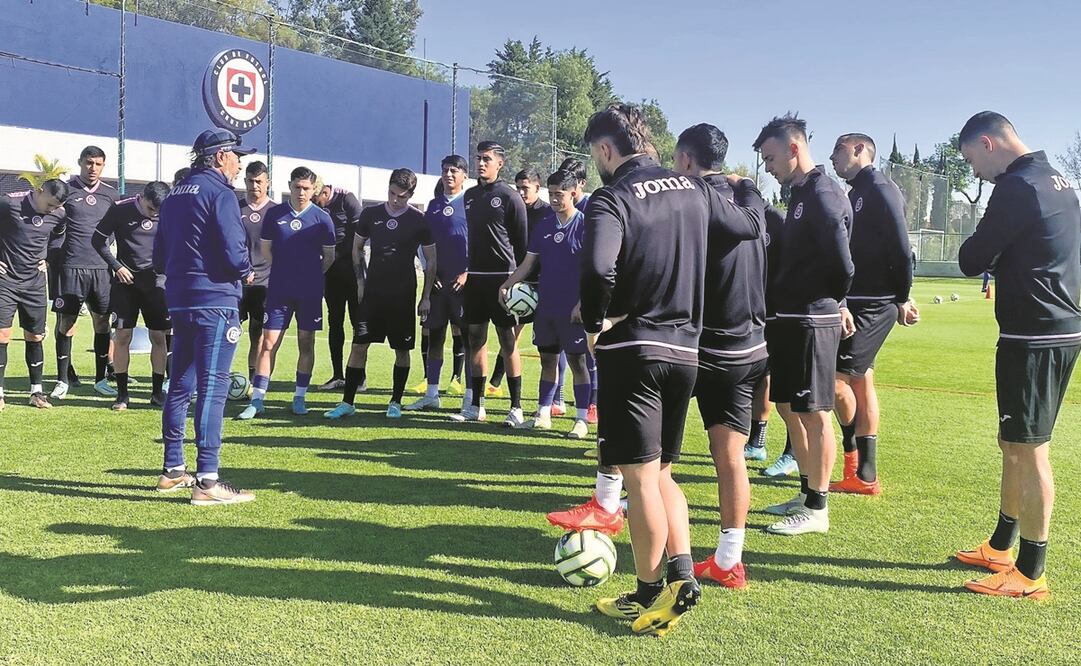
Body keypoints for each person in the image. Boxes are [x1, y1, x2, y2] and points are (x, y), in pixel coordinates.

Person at [581, 104, 763, 637]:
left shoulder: (611, 197)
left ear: (607, 151)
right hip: (688, 353)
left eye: (596, 155)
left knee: (639, 480)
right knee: (661, 475)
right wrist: (746, 187)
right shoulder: (698, 189)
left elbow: (597, 267)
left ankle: (645, 596)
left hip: (633, 351)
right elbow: (749, 226)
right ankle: (683, 574)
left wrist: (595, 321)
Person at [955, 111, 1081, 599]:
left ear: (988, 144)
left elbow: (971, 258)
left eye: (971, 160)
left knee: (1030, 450)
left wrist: (994, 251)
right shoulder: (1061, 179)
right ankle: (1001, 545)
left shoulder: (1017, 186)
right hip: (1055, 328)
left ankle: (1030, 573)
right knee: (1014, 442)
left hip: (1034, 333)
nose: (974, 173)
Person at [670, 124, 768, 589]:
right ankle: (729, 559)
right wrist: (744, 184)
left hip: (707, 347)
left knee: (654, 458)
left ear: (686, 161)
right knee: (730, 455)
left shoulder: (692, 202)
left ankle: (655, 550)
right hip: (751, 345)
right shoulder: (747, 200)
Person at [754, 114, 853, 536]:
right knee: (789, 406)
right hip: (791, 318)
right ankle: (805, 491)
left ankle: (818, 507)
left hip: (813, 320)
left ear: (794, 149)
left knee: (815, 413)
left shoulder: (823, 194)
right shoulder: (799, 194)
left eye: (771, 157)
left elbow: (842, 264)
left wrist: (829, 302)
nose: (768, 167)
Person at [154, 128, 257, 505]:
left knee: (180, 383)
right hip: (215, 300)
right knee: (212, 389)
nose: (239, 163)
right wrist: (245, 269)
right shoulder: (221, 193)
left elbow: (158, 255)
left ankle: (173, 470)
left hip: (180, 298)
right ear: (219, 157)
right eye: (235, 156)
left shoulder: (173, 196)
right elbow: (234, 253)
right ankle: (207, 481)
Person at [828, 133, 919, 495]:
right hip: (861, 299)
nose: (833, 158)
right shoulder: (857, 191)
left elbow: (901, 246)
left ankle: (852, 457)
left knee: (834, 381)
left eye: (838, 150)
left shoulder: (880, 187)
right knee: (861, 381)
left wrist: (902, 297)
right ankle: (864, 474)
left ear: (859, 150)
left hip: (874, 303)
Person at [325, 168, 435, 420]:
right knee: (359, 345)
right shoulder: (370, 214)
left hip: (403, 295)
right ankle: (348, 402)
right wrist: (360, 282)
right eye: (392, 193)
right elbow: (357, 248)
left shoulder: (419, 220)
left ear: (411, 195)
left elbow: (431, 259)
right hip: (372, 294)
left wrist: (426, 296)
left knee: (401, 350)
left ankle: (395, 401)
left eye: (402, 196)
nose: (396, 200)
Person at [237, 166, 336, 419]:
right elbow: (267, 250)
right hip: (279, 290)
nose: (301, 193)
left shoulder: (322, 218)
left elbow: (329, 257)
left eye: (306, 188)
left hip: (310, 292)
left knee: (306, 342)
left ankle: (299, 396)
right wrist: (284, 271)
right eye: (297, 187)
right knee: (268, 344)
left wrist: (309, 274)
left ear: (313, 189)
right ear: (289, 186)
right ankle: (257, 400)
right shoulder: (275, 215)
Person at [500, 169, 590, 438]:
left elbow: (594, 270)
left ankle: (582, 419)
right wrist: (506, 284)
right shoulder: (545, 226)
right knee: (547, 360)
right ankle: (542, 414)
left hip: (573, 309)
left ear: (573, 193)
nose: (553, 199)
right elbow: (528, 264)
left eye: (559, 194)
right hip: (546, 306)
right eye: (550, 194)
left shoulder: (587, 225)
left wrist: (583, 303)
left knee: (577, 363)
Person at [453, 141, 529, 425]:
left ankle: (516, 408)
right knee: (475, 340)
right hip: (476, 279)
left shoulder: (510, 196)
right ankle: (476, 405)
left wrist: (518, 281)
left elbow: (522, 246)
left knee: (508, 341)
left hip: (503, 280)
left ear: (500, 164)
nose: (481, 163)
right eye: (478, 158)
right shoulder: (469, 196)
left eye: (486, 159)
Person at [91, 181, 172, 409]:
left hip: (156, 284)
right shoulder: (120, 208)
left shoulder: (168, 214)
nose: (153, 214)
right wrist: (117, 266)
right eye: (150, 209)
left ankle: (156, 394)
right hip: (125, 284)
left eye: (157, 212)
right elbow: (98, 241)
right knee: (123, 337)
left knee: (159, 337)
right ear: (142, 197)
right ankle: (122, 395)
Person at [51, 146, 120, 400]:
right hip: (71, 267)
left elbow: (117, 229)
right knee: (67, 324)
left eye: (98, 164)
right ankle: (62, 380)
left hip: (101, 269)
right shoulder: (66, 191)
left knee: (102, 323)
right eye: (89, 162)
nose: (93, 168)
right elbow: (51, 223)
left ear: (104, 166)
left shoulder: (112, 195)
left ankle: (101, 379)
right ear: (80, 162)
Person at [406, 156, 470, 412]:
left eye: (454, 170)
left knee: (468, 338)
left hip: (463, 285)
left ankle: (471, 398)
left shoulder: (471, 204)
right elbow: (426, 248)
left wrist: (468, 273)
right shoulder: (433, 206)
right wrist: (430, 282)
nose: (449, 174)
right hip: (438, 284)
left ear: (464, 175)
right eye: (445, 170)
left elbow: (480, 244)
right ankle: (432, 393)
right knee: (435, 338)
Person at [0, 180, 69, 411]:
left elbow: (59, 237)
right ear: (39, 191)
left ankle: (36, 392)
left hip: (35, 284)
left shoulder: (59, 214)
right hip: (6, 281)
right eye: (49, 204)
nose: (51, 210)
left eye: (55, 206)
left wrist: (48, 259)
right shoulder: (9, 203)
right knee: (2, 335)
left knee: (35, 336)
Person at [484, 168, 551, 400]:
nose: (521, 192)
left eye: (526, 188)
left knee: (550, 342)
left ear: (537, 187)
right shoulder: (513, 209)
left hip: (545, 283)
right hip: (520, 282)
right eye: (518, 187)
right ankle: (495, 381)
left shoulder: (548, 213)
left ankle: (555, 396)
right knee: (510, 334)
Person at [312, 182, 364, 391]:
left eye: (317, 199)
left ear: (325, 192)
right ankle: (337, 376)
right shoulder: (316, 210)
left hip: (352, 272)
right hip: (331, 275)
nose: (316, 205)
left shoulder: (347, 199)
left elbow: (360, 236)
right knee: (335, 323)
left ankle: (359, 378)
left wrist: (360, 275)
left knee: (358, 323)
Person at [237, 161, 273, 383]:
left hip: (265, 283)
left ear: (267, 182)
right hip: (237, 282)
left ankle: (253, 381)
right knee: (228, 334)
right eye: (250, 181)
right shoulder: (235, 207)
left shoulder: (276, 211)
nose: (255, 186)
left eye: (259, 181)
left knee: (258, 335)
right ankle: (220, 378)